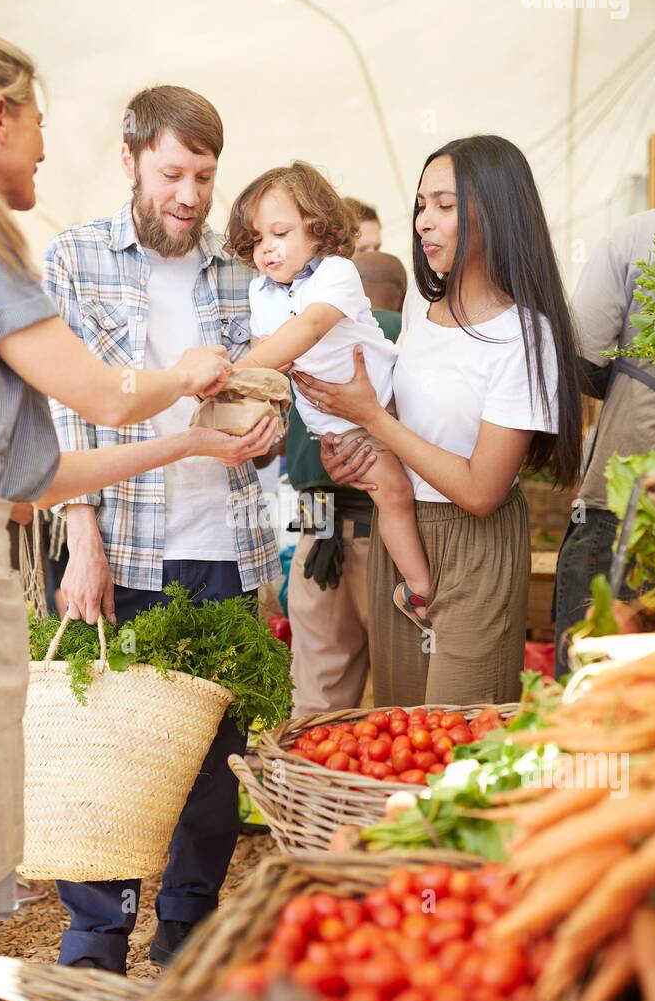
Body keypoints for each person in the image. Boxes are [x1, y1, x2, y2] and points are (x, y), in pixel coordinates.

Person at [0, 30, 250, 1001]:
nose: (39, 149)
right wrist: (185, 378)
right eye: (37, 124)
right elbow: (105, 394)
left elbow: (36, 471)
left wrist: (187, 445)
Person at [45, 85, 280, 972]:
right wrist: (83, 537)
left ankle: (186, 935)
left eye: (205, 176)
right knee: (108, 753)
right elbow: (63, 412)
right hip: (122, 540)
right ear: (131, 159)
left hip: (222, 543)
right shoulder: (73, 259)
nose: (189, 194)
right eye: (173, 172)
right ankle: (96, 939)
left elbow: (264, 398)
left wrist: (266, 436)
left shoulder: (240, 271)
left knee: (213, 762)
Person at [294, 134, 582, 707]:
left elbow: (481, 490)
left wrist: (372, 417)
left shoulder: (525, 335)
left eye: (445, 206)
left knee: (455, 737)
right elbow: (406, 432)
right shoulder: (418, 315)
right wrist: (355, 455)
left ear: (497, 213)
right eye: (422, 205)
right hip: (399, 534)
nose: (425, 221)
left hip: (474, 544)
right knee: (400, 721)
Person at [227, 161, 432, 626]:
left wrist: (237, 373)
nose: (267, 249)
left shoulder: (336, 273)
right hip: (335, 432)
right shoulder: (261, 293)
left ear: (318, 231)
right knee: (392, 490)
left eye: (279, 233)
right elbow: (270, 357)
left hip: (385, 407)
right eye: (257, 240)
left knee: (401, 491)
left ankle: (420, 586)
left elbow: (309, 328)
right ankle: (421, 590)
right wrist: (245, 390)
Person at [552, 150, 655, 675]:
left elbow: (580, 358)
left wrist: (644, 377)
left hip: (629, 492)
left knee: (600, 668)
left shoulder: (637, 233)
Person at [285, 251, 407, 714]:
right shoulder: (403, 333)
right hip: (381, 531)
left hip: (315, 528)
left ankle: (310, 782)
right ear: (401, 293)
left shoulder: (304, 333)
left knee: (316, 697)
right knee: (402, 697)